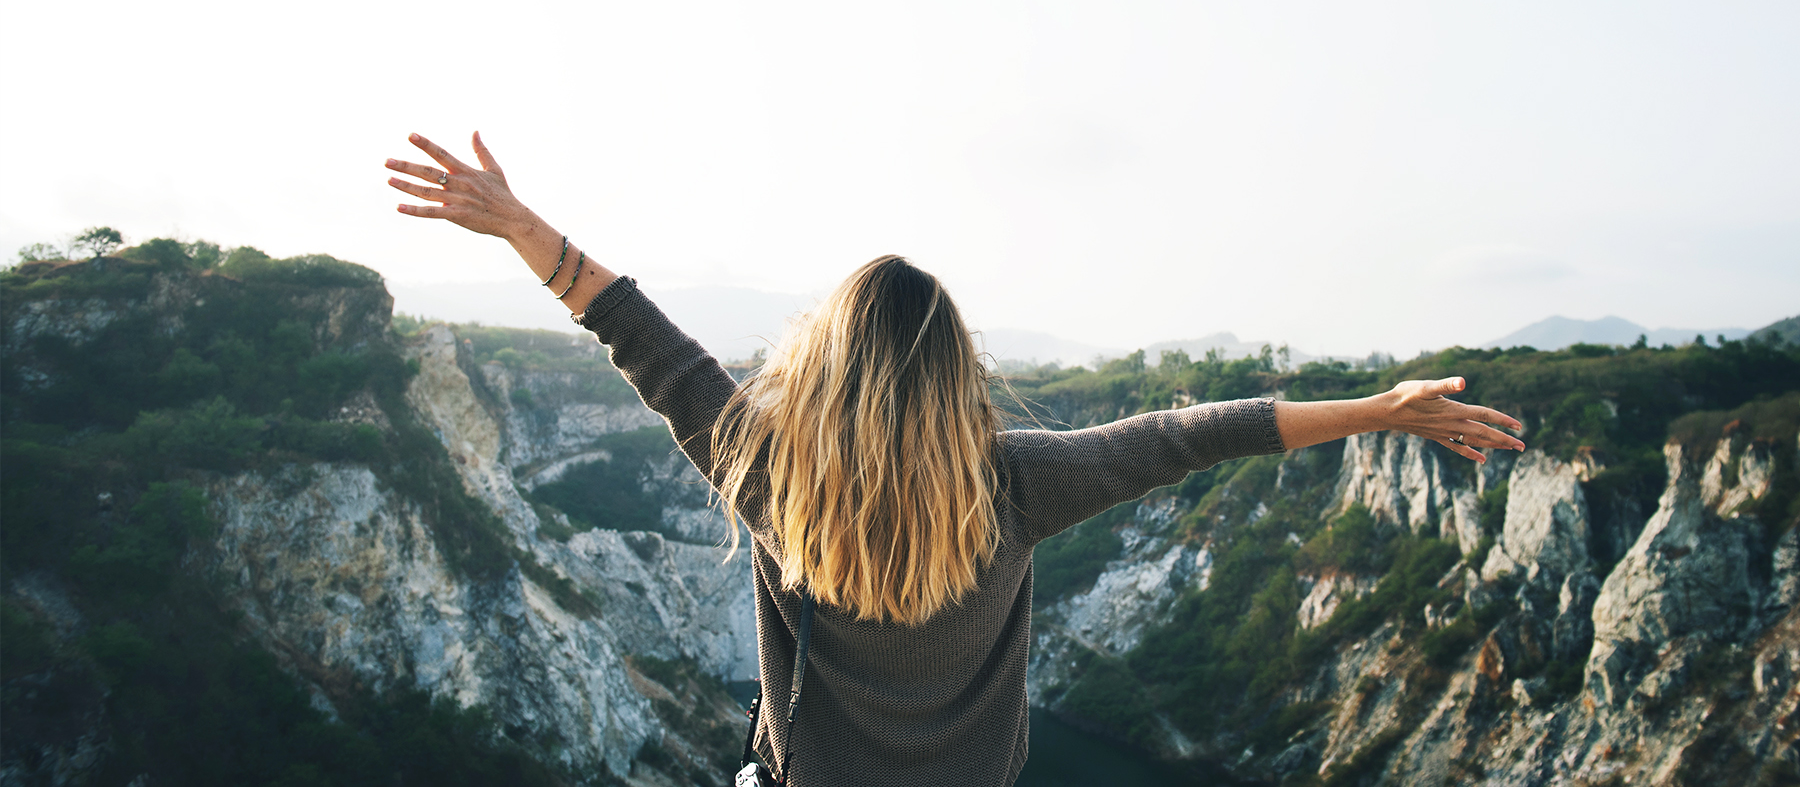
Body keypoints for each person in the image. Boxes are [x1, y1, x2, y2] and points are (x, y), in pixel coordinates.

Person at [386, 132, 1526, 787]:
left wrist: (522, 225)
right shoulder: (1017, 485)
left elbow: (631, 328)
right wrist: (1380, 409)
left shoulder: (769, 471)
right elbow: (1192, 434)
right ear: (958, 374)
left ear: (821, 367)